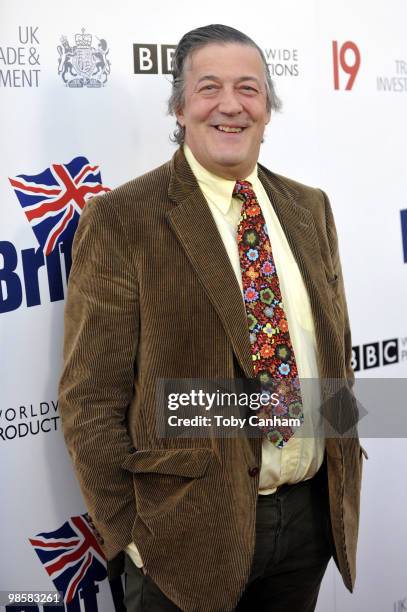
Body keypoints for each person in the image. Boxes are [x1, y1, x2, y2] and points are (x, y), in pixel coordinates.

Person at [59, 23, 365, 612]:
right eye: (209, 88)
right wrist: (131, 535)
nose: (230, 105)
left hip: (309, 524)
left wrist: (338, 489)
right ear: (179, 107)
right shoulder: (124, 220)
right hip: (185, 541)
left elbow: (336, 357)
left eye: (248, 88)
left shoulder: (310, 208)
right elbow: (89, 400)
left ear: (268, 109)